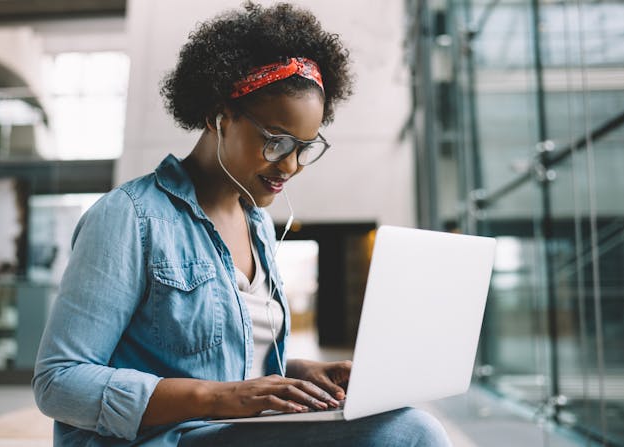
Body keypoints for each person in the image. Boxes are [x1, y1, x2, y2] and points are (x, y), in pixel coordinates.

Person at [33, 2, 452, 446]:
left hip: (233, 433)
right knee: (410, 434)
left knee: (401, 420)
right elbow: (58, 382)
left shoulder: (258, 227)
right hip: (165, 439)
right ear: (220, 118)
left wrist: (301, 374)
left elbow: (228, 361)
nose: (290, 165)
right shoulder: (129, 218)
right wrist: (218, 398)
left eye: (305, 147)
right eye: (276, 142)